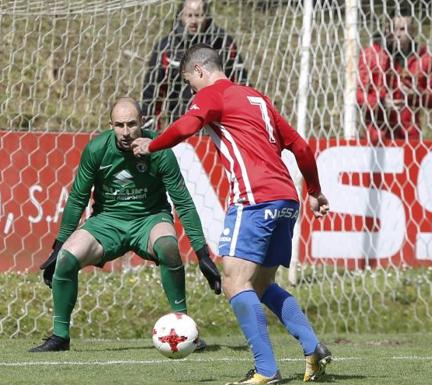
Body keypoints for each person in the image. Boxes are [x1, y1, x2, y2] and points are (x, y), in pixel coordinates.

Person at [132, 45, 332, 384]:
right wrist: (313, 190)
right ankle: (312, 347)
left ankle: (266, 370)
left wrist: (150, 145)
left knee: (233, 282)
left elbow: (186, 127)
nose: (192, 92)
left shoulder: (212, 94)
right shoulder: (258, 99)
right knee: (263, 285)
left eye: (189, 83)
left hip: (254, 200)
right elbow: (300, 146)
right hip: (286, 198)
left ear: (199, 71)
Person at [29, 97, 221, 353]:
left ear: (143, 123)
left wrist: (202, 253)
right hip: (107, 223)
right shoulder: (97, 149)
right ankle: (60, 336)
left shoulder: (159, 149)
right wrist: (58, 245)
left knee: (168, 246)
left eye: (132, 124)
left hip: (150, 219)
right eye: (119, 125)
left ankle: (185, 330)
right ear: (111, 125)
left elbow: (183, 202)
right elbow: (77, 197)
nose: (126, 131)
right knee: (66, 259)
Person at [141, 0, 248, 130]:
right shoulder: (167, 48)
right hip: (182, 123)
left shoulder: (223, 43)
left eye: (198, 15)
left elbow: (241, 84)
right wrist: (151, 128)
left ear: (206, 16)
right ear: (181, 15)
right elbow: (153, 93)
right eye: (189, 15)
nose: (193, 21)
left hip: (220, 124)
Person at [357, 8, 432, 143]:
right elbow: (358, 94)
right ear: (387, 30)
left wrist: (417, 94)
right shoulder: (371, 56)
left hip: (408, 136)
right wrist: (381, 104)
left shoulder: (424, 59)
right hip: (376, 134)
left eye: (402, 29)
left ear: (413, 32)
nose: (398, 34)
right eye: (394, 29)